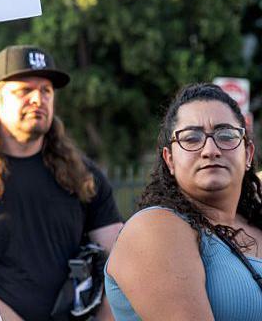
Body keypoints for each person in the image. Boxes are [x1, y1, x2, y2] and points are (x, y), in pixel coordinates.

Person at [0, 45, 123, 321]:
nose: (38, 99)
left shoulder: (84, 177)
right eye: (24, 91)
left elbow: (121, 266)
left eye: (46, 91)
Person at [105, 83, 262, 319]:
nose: (210, 150)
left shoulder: (256, 224)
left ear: (248, 154)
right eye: (191, 138)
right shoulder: (155, 228)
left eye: (226, 135)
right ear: (170, 160)